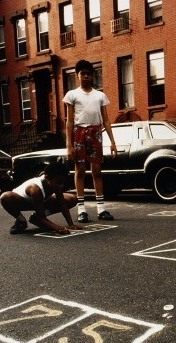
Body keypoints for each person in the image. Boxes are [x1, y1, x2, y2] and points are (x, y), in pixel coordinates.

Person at [63, 59, 118, 223]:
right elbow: (69, 121)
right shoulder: (72, 95)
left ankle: (101, 208)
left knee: (97, 171)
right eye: (83, 74)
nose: (86, 77)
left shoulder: (100, 95)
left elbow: (106, 120)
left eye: (89, 74)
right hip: (79, 133)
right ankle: (82, 210)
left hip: (95, 133)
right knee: (80, 171)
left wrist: (113, 142)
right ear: (77, 76)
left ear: (93, 76)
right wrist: (69, 144)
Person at [0, 161, 82, 235]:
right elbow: (42, 216)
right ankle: (21, 221)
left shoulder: (55, 183)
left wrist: (71, 224)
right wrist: (57, 228)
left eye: (62, 182)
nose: (61, 185)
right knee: (5, 196)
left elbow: (62, 204)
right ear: (47, 178)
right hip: (23, 202)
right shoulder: (35, 188)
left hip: (41, 202)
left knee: (72, 199)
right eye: (58, 182)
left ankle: (35, 218)